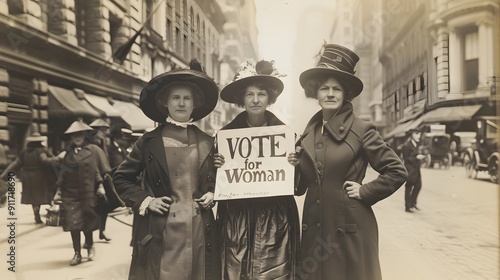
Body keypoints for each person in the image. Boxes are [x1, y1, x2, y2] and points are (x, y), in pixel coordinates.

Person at [287, 44, 408, 280]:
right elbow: (299, 188)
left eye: (336, 89)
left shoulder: (362, 130)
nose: (330, 94)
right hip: (315, 229)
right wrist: (294, 166)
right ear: (316, 93)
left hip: (350, 229)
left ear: (345, 94)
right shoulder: (306, 135)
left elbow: (397, 171)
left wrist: (366, 191)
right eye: (324, 88)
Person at [113, 59, 220, 280]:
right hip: (163, 231)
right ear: (166, 103)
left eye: (187, 98)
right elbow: (121, 178)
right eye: (176, 98)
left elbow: (216, 181)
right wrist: (146, 200)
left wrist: (212, 193)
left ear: (195, 104)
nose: (181, 103)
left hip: (200, 229)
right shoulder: (149, 141)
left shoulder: (208, 141)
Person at [215, 59, 300, 279]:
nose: (255, 100)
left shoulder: (286, 135)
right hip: (236, 218)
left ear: (269, 98)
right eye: (249, 94)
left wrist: (295, 165)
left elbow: (298, 186)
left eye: (261, 94)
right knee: (237, 271)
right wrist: (216, 167)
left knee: (274, 271)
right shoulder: (224, 137)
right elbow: (213, 183)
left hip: (275, 219)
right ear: (242, 99)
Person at [53, 120, 110, 266]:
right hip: (70, 193)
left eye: (79, 135)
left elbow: (97, 170)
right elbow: (63, 174)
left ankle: (90, 246)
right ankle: (77, 253)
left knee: (87, 222)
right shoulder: (68, 153)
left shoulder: (93, 150)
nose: (77, 138)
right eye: (74, 136)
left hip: (87, 191)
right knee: (73, 224)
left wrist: (100, 186)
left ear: (84, 135)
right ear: (71, 138)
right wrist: (58, 192)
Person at [0, 132, 60, 223]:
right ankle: (50, 216)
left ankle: (36, 215)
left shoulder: (24, 152)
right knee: (47, 194)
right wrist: (58, 159)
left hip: (27, 178)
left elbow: (15, 165)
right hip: (40, 177)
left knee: (34, 198)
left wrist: (4, 176)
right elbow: (45, 161)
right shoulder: (42, 150)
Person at [402, 128, 425, 213]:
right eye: (417, 134)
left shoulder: (415, 144)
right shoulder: (407, 145)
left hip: (416, 169)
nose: (419, 136)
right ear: (412, 135)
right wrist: (416, 157)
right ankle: (408, 207)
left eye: (419, 134)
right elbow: (406, 158)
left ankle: (413, 204)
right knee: (409, 187)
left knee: (418, 186)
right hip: (410, 169)